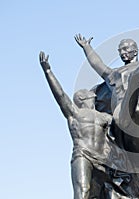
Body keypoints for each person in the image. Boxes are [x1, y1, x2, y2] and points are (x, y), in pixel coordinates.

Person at [39, 51, 113, 199]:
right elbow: (60, 95)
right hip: (83, 155)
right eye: (93, 97)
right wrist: (48, 71)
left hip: (103, 161)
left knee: (106, 194)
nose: (95, 98)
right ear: (84, 99)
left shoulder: (105, 117)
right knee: (83, 191)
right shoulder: (75, 114)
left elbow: (124, 127)